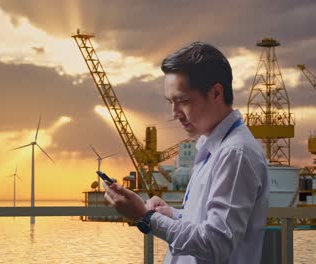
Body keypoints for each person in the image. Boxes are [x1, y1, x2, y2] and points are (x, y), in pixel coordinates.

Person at [103, 42, 269, 263]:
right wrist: (171, 215)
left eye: (182, 101)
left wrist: (146, 217)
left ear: (216, 93)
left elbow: (216, 244)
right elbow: (206, 227)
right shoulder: (213, 147)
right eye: (171, 102)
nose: (174, 113)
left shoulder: (235, 154)